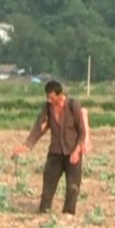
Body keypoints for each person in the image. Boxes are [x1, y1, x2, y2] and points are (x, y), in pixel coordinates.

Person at [12, 80, 86, 215]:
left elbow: (82, 132)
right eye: (47, 97)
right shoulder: (47, 108)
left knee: (72, 187)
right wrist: (26, 146)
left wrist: (77, 151)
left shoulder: (73, 105)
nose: (49, 100)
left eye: (51, 98)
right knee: (48, 184)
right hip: (55, 153)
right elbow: (38, 129)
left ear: (60, 95)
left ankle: (68, 215)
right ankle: (44, 212)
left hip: (73, 152)